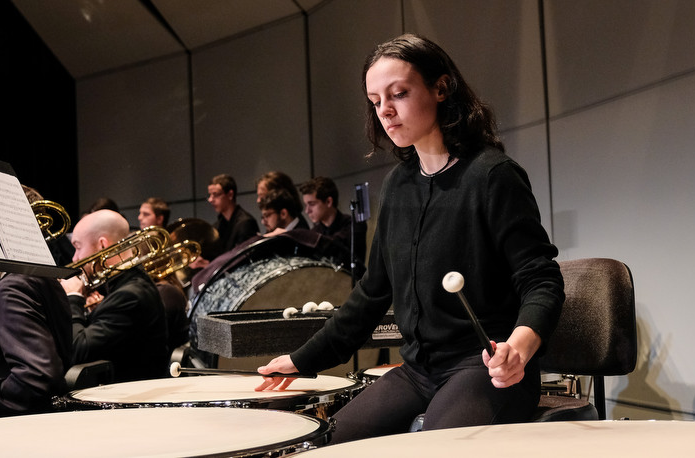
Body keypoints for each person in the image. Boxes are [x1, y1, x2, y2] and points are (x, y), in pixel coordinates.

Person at [256, 34, 564, 444]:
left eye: (398, 93)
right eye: (374, 100)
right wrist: (301, 360)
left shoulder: (492, 176)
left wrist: (518, 348)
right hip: (419, 371)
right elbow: (372, 292)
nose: (385, 110)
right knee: (329, 441)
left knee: (431, 448)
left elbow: (541, 278)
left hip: (485, 368)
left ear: (440, 88)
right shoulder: (398, 185)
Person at [61, 209, 169, 383]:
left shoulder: (130, 295)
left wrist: (73, 297)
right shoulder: (131, 283)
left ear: (102, 245)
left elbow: (76, 352)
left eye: (78, 247)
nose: (75, 258)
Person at [0, 274, 72, 417]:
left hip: (15, 424)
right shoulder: (44, 278)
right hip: (49, 415)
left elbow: (36, 380)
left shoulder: (11, 288)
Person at [299, 176, 367, 272]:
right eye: (306, 205)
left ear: (328, 202)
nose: (307, 211)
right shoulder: (315, 231)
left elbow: (335, 245)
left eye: (312, 204)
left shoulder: (353, 225)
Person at [207, 174, 260, 253]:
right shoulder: (217, 226)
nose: (210, 200)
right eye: (209, 195)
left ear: (230, 195)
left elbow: (245, 258)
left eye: (215, 194)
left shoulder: (246, 223)